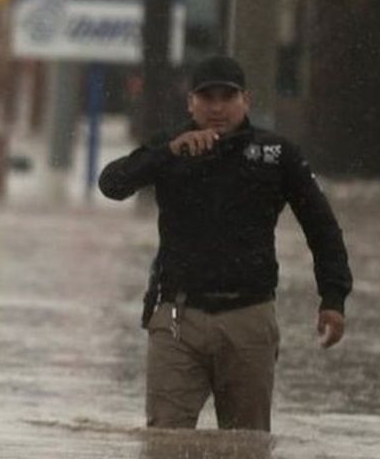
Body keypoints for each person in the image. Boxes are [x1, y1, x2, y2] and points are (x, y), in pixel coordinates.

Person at [98, 56, 352, 432]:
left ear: (245, 100)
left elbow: (322, 227)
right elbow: (111, 184)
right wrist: (169, 152)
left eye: (227, 97)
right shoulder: (170, 149)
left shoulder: (276, 155)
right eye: (206, 97)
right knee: (164, 440)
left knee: (246, 444)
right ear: (191, 103)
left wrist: (333, 298)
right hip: (177, 318)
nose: (217, 107)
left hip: (249, 317)